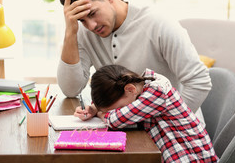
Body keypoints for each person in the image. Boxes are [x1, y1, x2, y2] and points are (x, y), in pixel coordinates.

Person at [57, 0, 212, 122]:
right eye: (81, 20)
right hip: (127, 129)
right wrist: (70, 33)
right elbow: (71, 90)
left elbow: (199, 81)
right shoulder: (85, 32)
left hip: (174, 134)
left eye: (92, 14)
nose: (91, 26)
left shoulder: (158, 23)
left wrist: (165, 123)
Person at [90, 64, 219, 163]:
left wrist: (101, 114)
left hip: (192, 158)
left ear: (130, 89)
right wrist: (97, 108)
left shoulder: (157, 92)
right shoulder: (139, 90)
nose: (118, 111)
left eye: (120, 108)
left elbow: (116, 120)